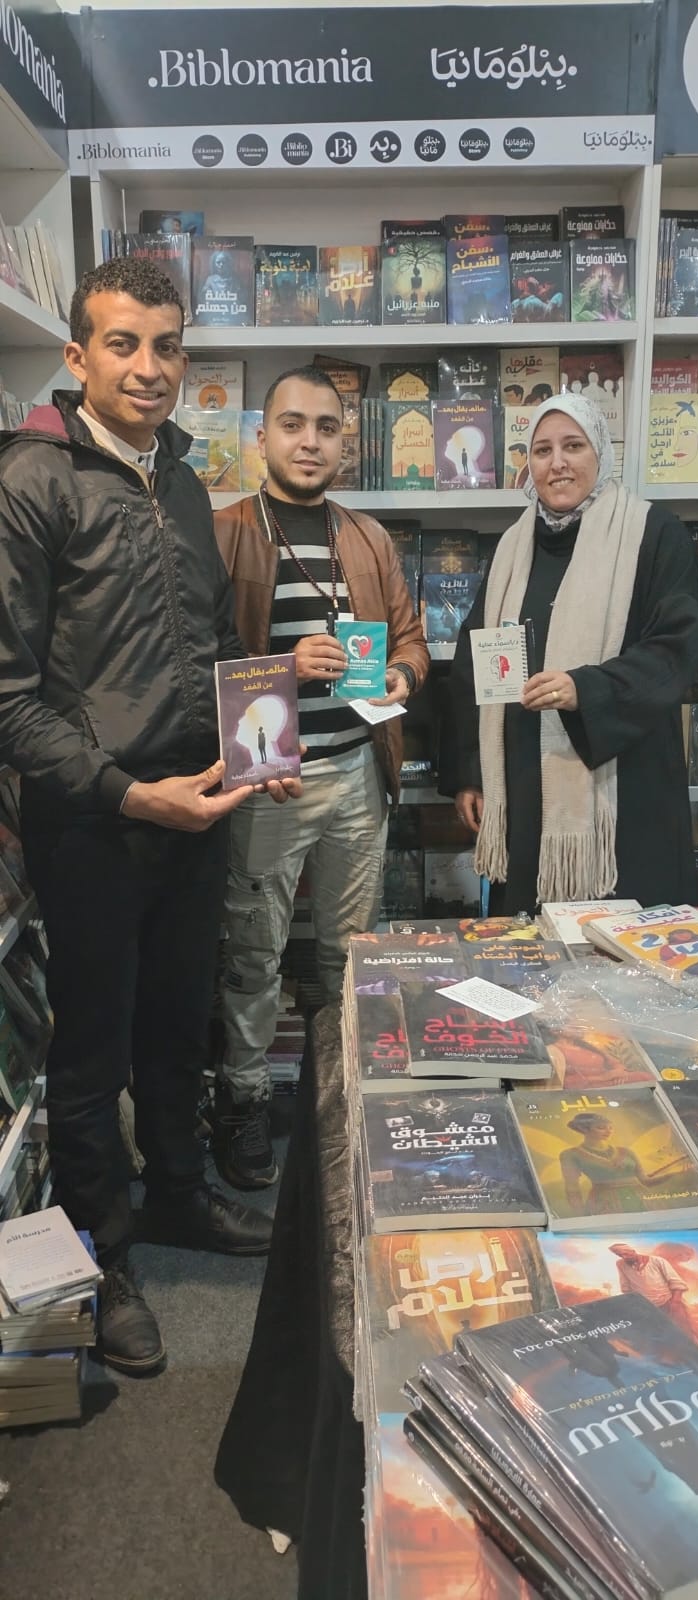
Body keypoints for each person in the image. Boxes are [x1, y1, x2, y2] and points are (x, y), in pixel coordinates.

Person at [0, 258, 302, 1376]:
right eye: (123, 343)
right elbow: (9, 696)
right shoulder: (32, 480)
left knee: (179, 1023)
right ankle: (105, 1252)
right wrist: (129, 794)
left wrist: (258, 747)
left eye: (167, 345)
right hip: (96, 822)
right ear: (76, 356)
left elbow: (214, 642)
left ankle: (177, 1191)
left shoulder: (179, 476)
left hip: (199, 803)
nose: (148, 366)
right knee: (92, 1053)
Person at [213, 365, 429, 1188]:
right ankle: (241, 1101)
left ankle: (337, 1100)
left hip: (358, 775)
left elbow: (410, 640)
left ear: (347, 442)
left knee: (347, 955)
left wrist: (402, 676)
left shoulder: (367, 537)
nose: (309, 442)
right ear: (262, 436)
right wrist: (284, 666)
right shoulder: (224, 532)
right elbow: (194, 661)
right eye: (292, 425)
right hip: (267, 777)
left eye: (326, 428)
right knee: (252, 954)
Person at [439, 394, 698, 914]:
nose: (557, 463)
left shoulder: (655, 535)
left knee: (620, 943)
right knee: (531, 944)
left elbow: (675, 649)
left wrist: (586, 688)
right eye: (542, 450)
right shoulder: (512, 548)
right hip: (523, 784)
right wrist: (471, 774)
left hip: (622, 788)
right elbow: (474, 664)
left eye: (573, 446)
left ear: (600, 452)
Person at [609, 1243, 698, 1355]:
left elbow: (676, 1282)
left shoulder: (657, 1261)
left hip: (668, 1302)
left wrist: (675, 1302)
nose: (624, 1257)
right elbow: (626, 1287)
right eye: (620, 1255)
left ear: (633, 1251)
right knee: (657, 1336)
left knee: (683, 1331)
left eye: (626, 1253)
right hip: (646, 1307)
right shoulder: (621, 1264)